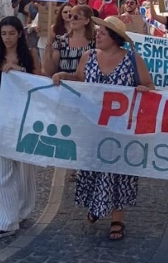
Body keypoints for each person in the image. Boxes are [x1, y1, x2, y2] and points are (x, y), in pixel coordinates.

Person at [52, 16, 155, 241]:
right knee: (93, 167)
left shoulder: (132, 59)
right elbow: (79, 79)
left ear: (115, 38)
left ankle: (118, 218)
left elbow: (150, 85)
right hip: (92, 126)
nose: (97, 34)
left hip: (121, 129)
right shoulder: (88, 56)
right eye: (97, 31)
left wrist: (142, 89)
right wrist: (63, 76)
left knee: (118, 171)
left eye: (103, 33)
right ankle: (96, 206)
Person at [0, 16, 41, 239]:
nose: (7, 38)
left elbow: (41, 84)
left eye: (11, 33)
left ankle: (22, 210)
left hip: (24, 116)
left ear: (20, 34)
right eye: (3, 33)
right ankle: (3, 222)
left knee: (25, 169)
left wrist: (19, 70)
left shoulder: (31, 55)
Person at [42, 5, 96, 76]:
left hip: (86, 86)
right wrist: (48, 53)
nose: (71, 19)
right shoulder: (60, 41)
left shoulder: (95, 42)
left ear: (87, 21)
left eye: (76, 17)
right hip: (64, 86)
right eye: (70, 16)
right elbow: (50, 72)